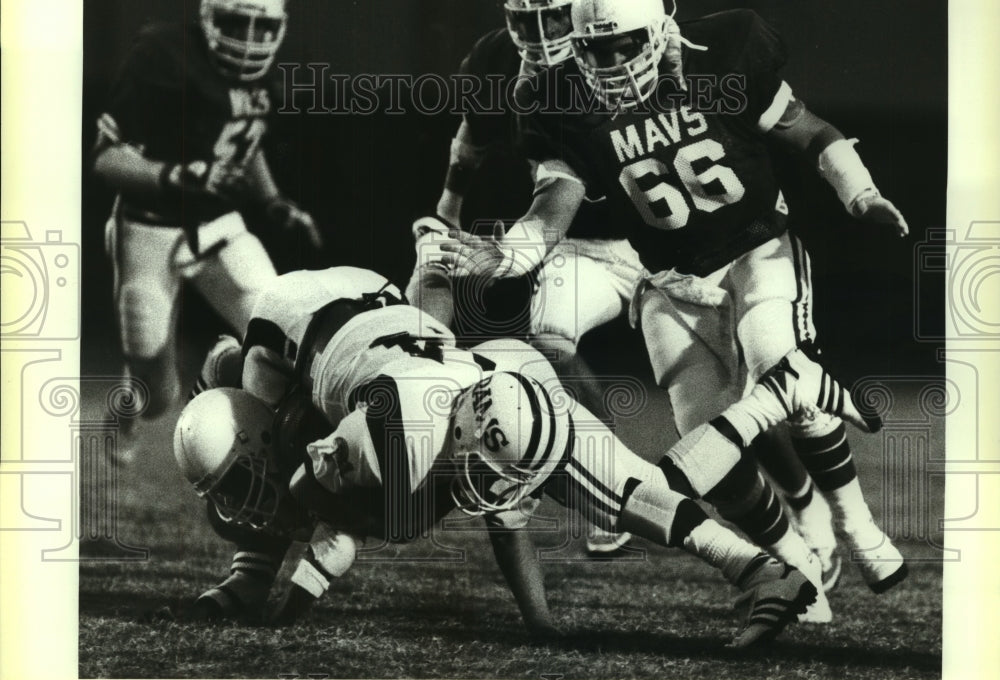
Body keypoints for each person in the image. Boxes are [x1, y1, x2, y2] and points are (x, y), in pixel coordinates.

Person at [441, 0, 908, 596]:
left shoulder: (725, 58)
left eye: (624, 44)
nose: (610, 63)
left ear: (661, 32)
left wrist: (860, 193)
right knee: (704, 440)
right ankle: (794, 560)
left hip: (756, 252)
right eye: (593, 49)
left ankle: (859, 525)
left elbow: (812, 131)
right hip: (669, 281)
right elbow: (554, 202)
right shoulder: (563, 105)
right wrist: (511, 256)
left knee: (779, 360)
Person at [173, 266, 880, 646]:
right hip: (306, 320)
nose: (492, 492)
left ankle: (761, 568)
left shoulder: (504, 417)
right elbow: (319, 509)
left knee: (636, 488)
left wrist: (539, 625)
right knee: (254, 455)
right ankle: (244, 574)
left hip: (470, 364)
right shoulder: (392, 436)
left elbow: (505, 504)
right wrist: (291, 583)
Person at [406, 0, 644, 556]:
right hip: (571, 239)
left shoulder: (618, 56)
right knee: (551, 338)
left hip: (656, 239)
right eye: (523, 20)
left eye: (555, 16)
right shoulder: (495, 62)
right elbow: (471, 144)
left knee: (728, 383)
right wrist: (446, 213)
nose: (540, 34)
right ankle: (606, 472)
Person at [92, 0, 321, 448]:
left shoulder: (262, 82)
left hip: (217, 225)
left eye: (264, 26)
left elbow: (246, 142)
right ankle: (129, 402)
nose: (250, 38)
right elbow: (106, 158)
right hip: (148, 229)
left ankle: (275, 446)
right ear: (207, 18)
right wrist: (174, 176)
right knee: (157, 392)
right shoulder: (161, 56)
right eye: (237, 22)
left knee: (279, 327)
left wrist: (274, 200)